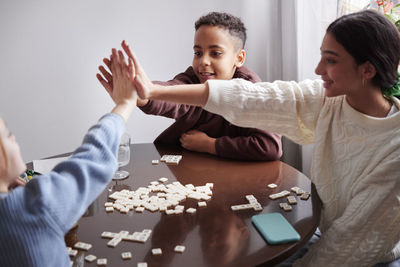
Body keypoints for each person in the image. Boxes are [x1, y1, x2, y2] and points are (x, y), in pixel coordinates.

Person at [108, 9, 400, 266]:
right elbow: (248, 97)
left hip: (366, 256)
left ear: (367, 70)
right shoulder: (328, 100)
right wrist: (150, 91)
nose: (317, 70)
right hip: (327, 234)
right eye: (321, 57)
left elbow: (349, 246)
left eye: (330, 60)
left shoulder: (394, 150)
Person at [0, 48, 137, 266]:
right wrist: (124, 104)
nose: (14, 137)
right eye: (7, 134)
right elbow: (91, 159)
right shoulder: (34, 207)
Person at [97, 12, 282, 161]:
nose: (203, 62)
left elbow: (269, 147)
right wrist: (142, 96)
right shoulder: (193, 78)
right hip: (191, 170)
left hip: (238, 176)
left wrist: (211, 145)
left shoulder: (252, 89)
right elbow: (173, 93)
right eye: (198, 52)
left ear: (239, 58)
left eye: (215, 53)